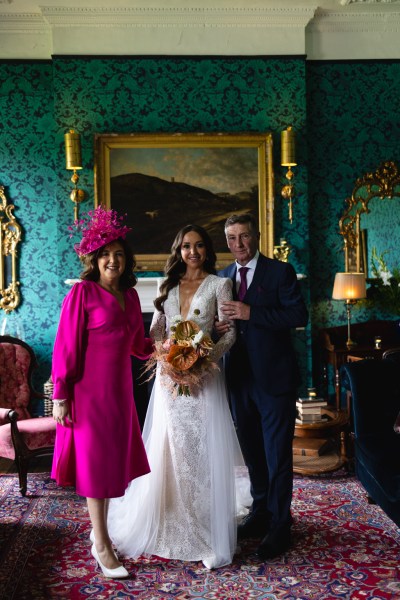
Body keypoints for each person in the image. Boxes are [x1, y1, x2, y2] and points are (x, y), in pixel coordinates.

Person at [108, 224, 249, 570]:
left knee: (201, 451)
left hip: (204, 380)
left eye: (199, 246)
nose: (193, 252)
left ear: (207, 250)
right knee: (170, 448)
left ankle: (204, 527)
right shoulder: (166, 285)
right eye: (186, 246)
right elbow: (156, 332)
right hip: (168, 380)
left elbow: (229, 334)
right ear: (178, 250)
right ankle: (170, 520)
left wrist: (202, 361)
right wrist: (164, 356)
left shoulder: (220, 284)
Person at [51, 207, 153, 579]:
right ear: (94, 260)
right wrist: (61, 396)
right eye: (106, 254)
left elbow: (138, 345)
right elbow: (66, 347)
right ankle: (101, 542)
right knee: (95, 468)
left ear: (127, 261)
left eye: (119, 254)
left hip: (119, 393)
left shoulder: (130, 297)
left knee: (110, 465)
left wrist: (171, 348)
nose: (113, 260)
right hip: (88, 394)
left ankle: (102, 535)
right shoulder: (82, 293)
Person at [217, 213, 308, 560]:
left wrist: (250, 312)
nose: (238, 245)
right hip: (238, 379)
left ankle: (281, 525)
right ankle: (260, 512)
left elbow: (298, 316)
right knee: (252, 454)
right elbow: (220, 326)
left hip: (274, 381)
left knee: (276, 456)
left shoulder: (279, 271)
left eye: (243, 236)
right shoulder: (222, 276)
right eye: (231, 238)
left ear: (255, 236)